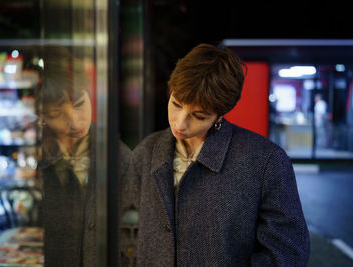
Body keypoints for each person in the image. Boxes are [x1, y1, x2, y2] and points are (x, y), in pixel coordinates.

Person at [131, 43, 310, 266]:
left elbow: (287, 251)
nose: (180, 122)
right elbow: (126, 227)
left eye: (199, 115)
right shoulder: (147, 151)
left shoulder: (264, 162)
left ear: (220, 114)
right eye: (176, 104)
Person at [36, 45, 133, 266]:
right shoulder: (34, 157)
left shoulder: (119, 156)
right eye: (55, 114)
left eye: (80, 104)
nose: (75, 122)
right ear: (41, 115)